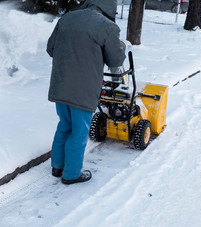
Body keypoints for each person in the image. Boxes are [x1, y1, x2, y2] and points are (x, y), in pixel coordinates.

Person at [47, 0, 126, 184]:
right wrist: (120, 45)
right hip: (83, 88)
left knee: (64, 125)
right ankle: (72, 174)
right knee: (79, 131)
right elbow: (115, 59)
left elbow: (51, 49)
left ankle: (57, 167)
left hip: (60, 84)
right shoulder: (107, 26)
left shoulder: (67, 18)